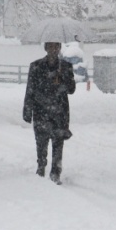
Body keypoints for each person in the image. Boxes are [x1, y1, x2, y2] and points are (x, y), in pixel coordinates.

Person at [23, 42, 76, 185]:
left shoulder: (65, 67)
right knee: (41, 142)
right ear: (46, 48)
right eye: (50, 47)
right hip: (41, 110)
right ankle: (41, 166)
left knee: (58, 143)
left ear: (59, 48)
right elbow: (30, 89)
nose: (53, 50)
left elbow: (71, 89)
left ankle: (55, 172)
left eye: (56, 47)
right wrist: (27, 110)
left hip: (59, 112)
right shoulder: (36, 66)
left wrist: (62, 78)